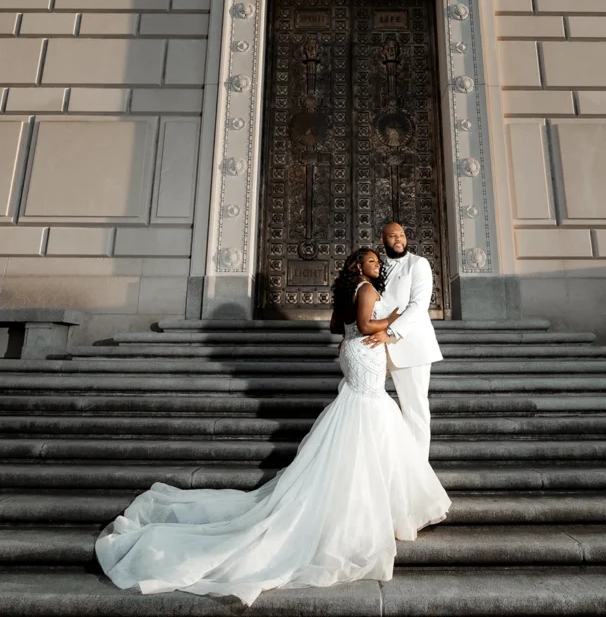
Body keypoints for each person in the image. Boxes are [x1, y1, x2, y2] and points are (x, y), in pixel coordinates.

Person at [95, 247, 450, 605]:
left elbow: (336, 327)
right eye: (372, 260)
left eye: (377, 261)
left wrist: (359, 337)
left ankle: (370, 505)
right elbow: (364, 326)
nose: (378, 265)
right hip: (367, 352)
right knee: (372, 415)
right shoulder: (367, 289)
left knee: (365, 416)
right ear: (358, 265)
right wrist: (390, 321)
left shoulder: (349, 289)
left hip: (354, 354)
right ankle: (368, 513)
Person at [362, 223, 443, 459]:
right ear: (383, 239)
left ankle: (419, 470)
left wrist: (391, 333)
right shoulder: (377, 266)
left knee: (414, 409)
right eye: (392, 236)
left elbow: (418, 305)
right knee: (358, 398)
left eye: (402, 235)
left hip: (410, 345)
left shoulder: (418, 264)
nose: (398, 239)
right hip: (376, 345)